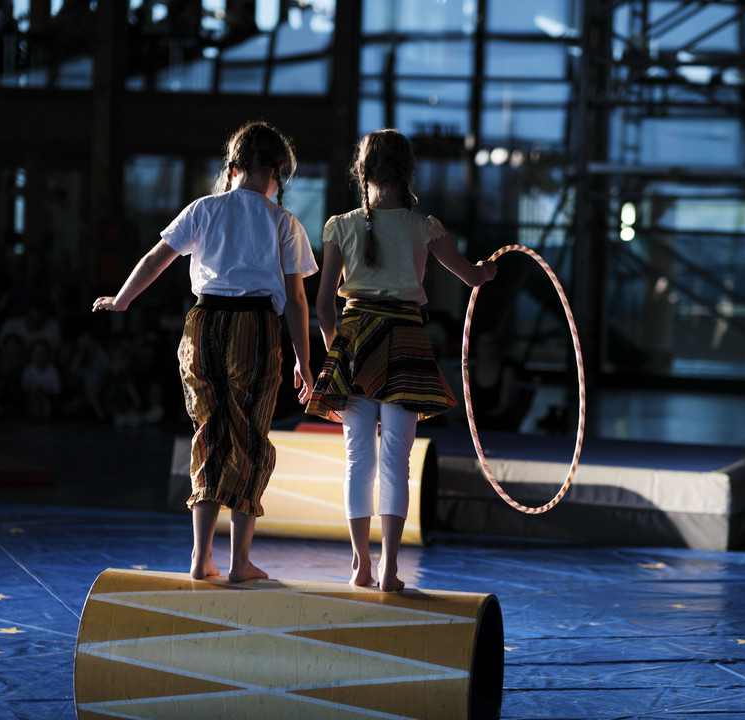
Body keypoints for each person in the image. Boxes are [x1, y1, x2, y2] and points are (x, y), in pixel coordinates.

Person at [92, 120, 318, 582]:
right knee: (249, 437)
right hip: (254, 329)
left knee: (210, 434)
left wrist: (122, 298)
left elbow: (157, 257)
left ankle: (200, 558)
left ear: (232, 167)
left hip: (203, 326)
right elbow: (296, 300)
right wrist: (304, 359)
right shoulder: (282, 221)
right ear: (278, 171)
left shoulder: (205, 209)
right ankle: (239, 562)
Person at [305, 129, 497, 592]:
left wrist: (337, 351)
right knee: (395, 460)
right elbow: (472, 276)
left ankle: (361, 566)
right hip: (405, 339)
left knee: (358, 459)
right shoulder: (423, 226)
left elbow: (323, 306)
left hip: (354, 339)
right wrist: (490, 269)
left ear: (362, 172)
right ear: (408, 173)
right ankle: (390, 569)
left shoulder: (340, 225)